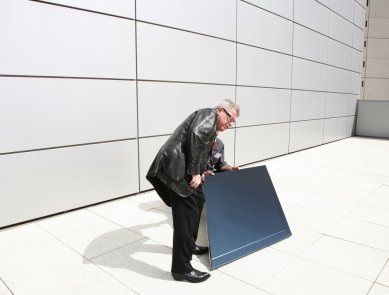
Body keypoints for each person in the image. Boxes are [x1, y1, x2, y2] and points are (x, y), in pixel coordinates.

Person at [146, 99, 240, 283]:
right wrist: (195, 172)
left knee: (196, 205)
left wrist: (201, 170)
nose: (230, 124)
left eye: (233, 123)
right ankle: (181, 269)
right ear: (220, 110)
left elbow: (196, 146)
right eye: (230, 119)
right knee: (186, 216)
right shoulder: (209, 114)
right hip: (176, 170)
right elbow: (196, 136)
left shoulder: (212, 125)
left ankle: (189, 246)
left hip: (180, 168)